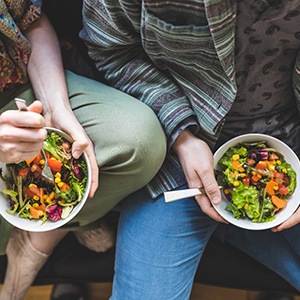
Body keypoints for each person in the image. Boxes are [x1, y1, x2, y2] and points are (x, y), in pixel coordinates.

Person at [80, 0, 300, 299]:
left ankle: (233, 230)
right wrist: (183, 137)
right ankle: (235, 232)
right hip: (175, 152)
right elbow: (111, 49)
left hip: (291, 139)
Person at [0, 1, 166, 299]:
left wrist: (56, 108)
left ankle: (41, 238)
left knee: (141, 140)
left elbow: (30, 21)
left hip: (18, 84)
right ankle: (42, 241)